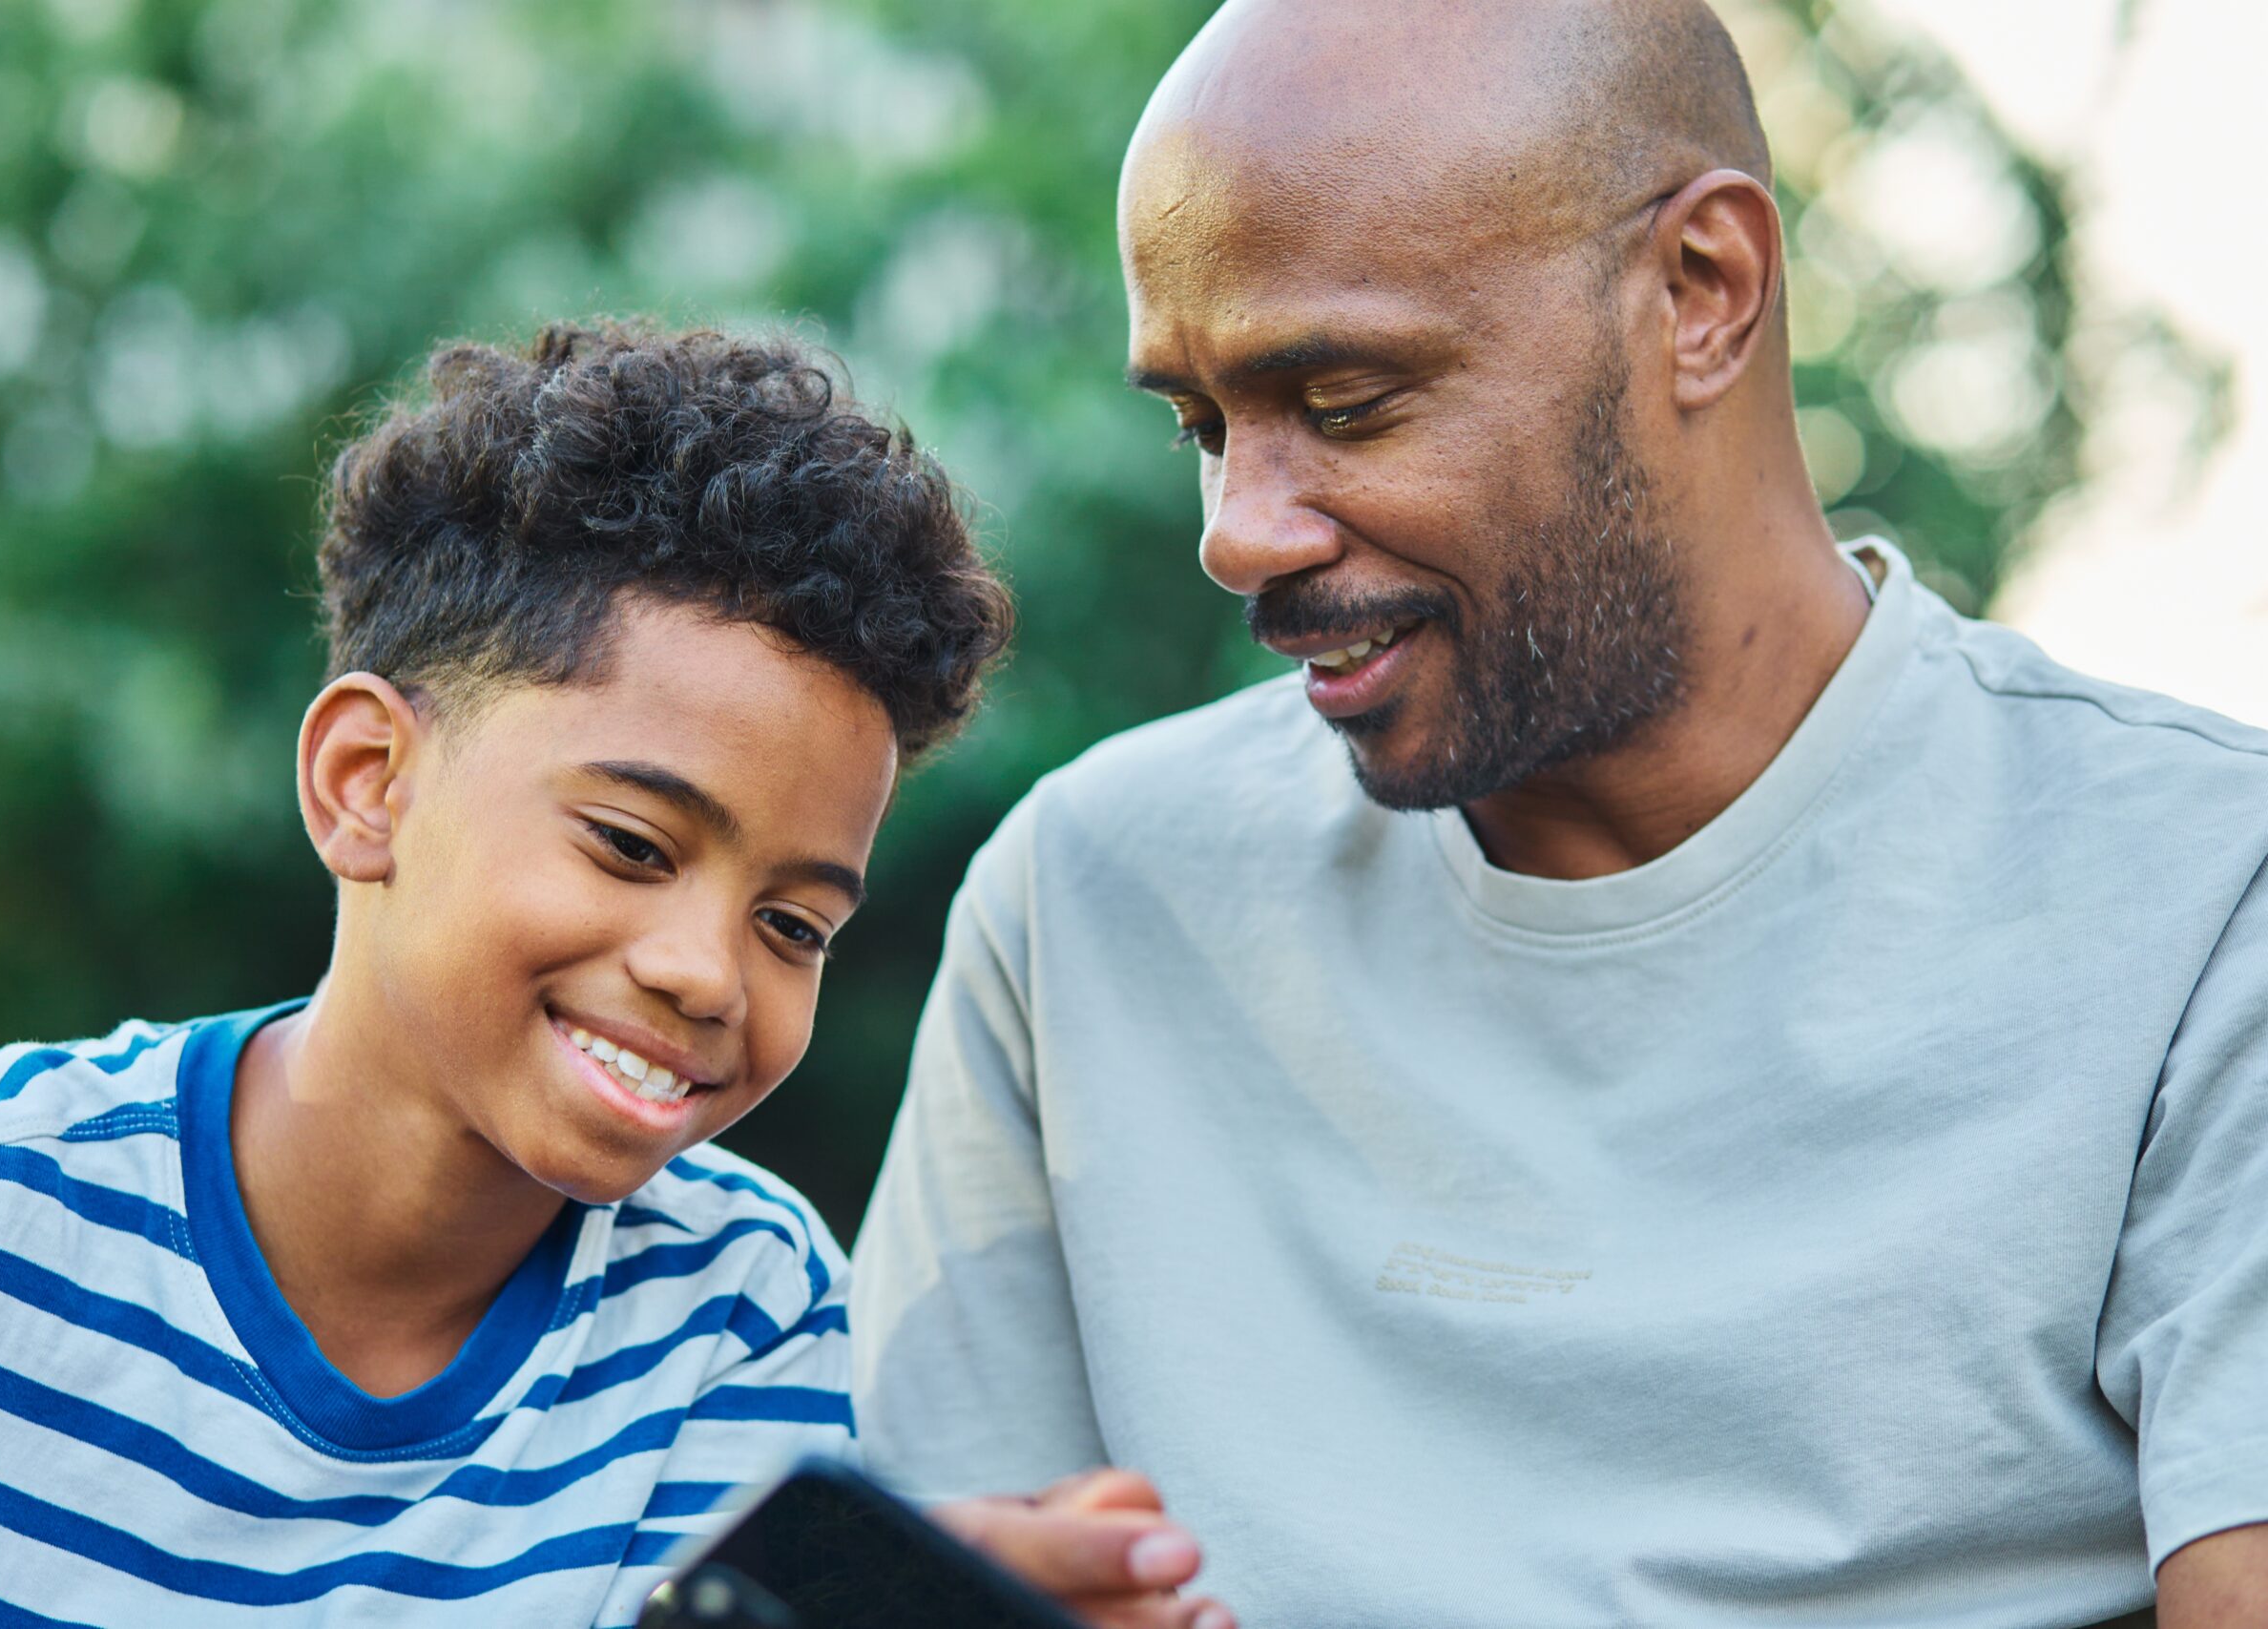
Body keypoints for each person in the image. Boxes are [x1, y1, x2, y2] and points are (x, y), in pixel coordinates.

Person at [847, 2, 2268, 1624]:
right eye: (1201, 427)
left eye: (1350, 396)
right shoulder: (1088, 902)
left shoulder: (2207, 904)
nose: (1238, 534)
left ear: (1701, 294)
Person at [0, 322, 1230, 1628]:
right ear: (367, 782)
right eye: (630, 845)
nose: (708, 976)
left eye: (794, 926)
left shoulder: (746, 1312)